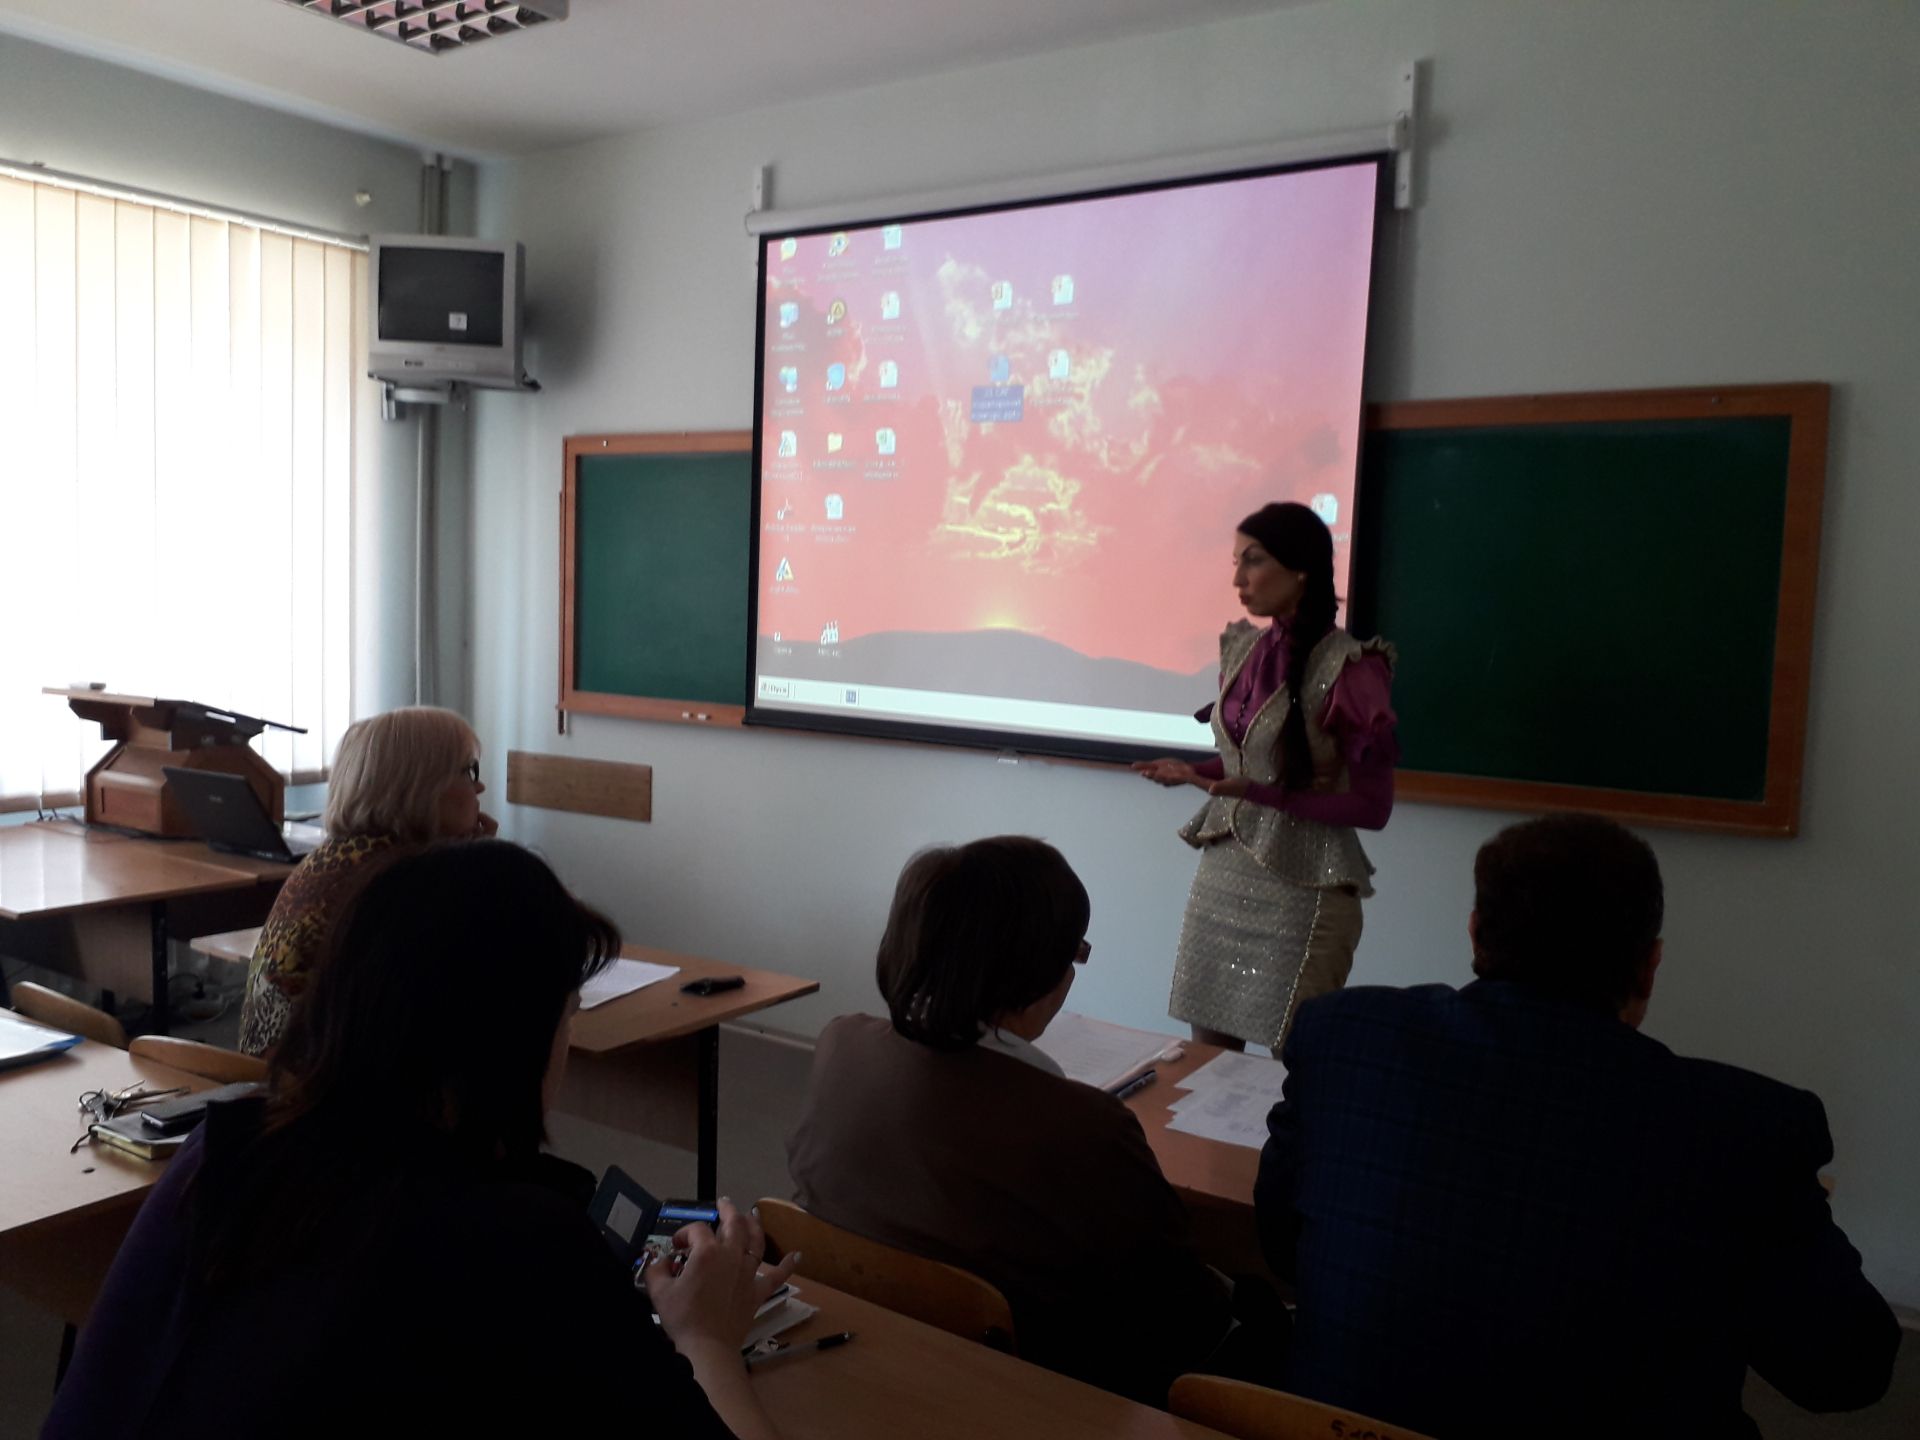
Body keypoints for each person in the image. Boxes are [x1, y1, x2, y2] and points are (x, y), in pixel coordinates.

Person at [47, 841, 796, 1439]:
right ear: (510, 1043)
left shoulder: (226, 1152)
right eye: (565, 1017)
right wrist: (707, 1340)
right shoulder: (517, 1240)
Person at [1254, 813, 1899, 1439]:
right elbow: (1846, 1372)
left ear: (1476, 935)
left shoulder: (1345, 1036)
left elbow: (1283, 1247)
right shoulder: (1744, 1131)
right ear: (1649, 966)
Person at [786, 835, 1243, 1407]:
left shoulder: (840, 1043)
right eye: (1076, 953)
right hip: (1029, 1391)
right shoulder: (1085, 1126)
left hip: (857, 1349)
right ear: (1045, 971)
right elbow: (1180, 1304)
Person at [1134, 501, 1396, 1052]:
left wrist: (1259, 794)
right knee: (1208, 1060)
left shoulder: (1352, 668)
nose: (1238, 580)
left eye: (1252, 561)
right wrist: (1193, 771)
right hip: (1224, 874)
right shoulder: (1245, 649)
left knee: (1295, 1062)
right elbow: (1250, 762)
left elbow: (1373, 809)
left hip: (1307, 887)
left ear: (1300, 569)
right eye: (1236, 563)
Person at [237, 705, 498, 1056]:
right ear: (422, 786)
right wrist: (478, 870)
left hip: (283, 1078)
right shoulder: (396, 881)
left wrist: (465, 864)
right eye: (469, 771)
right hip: (324, 1086)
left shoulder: (343, 857)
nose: (479, 786)